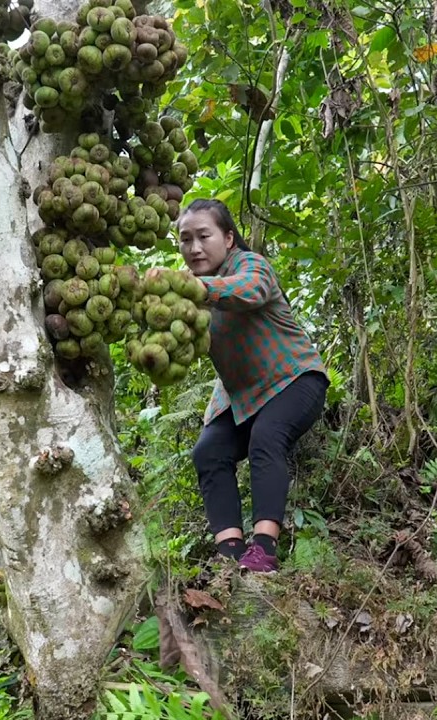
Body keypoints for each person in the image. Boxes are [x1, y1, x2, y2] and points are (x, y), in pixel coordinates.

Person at [161, 199, 329, 573]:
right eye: (185, 240)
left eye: (204, 236)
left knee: (266, 438)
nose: (194, 248)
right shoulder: (190, 293)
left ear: (229, 238)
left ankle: (264, 550)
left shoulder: (251, 266)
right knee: (208, 452)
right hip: (241, 398)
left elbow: (249, 290)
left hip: (294, 380)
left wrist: (196, 289)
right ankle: (230, 554)